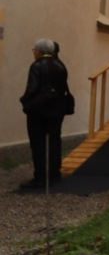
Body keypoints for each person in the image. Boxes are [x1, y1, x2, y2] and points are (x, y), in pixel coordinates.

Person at [19, 38, 70, 189]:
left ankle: (40, 177)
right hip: (57, 110)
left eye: (34, 50)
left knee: (38, 144)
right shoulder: (60, 65)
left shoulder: (37, 65)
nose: (33, 52)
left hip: (38, 111)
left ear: (40, 51)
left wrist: (25, 101)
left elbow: (32, 88)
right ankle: (55, 174)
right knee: (54, 141)